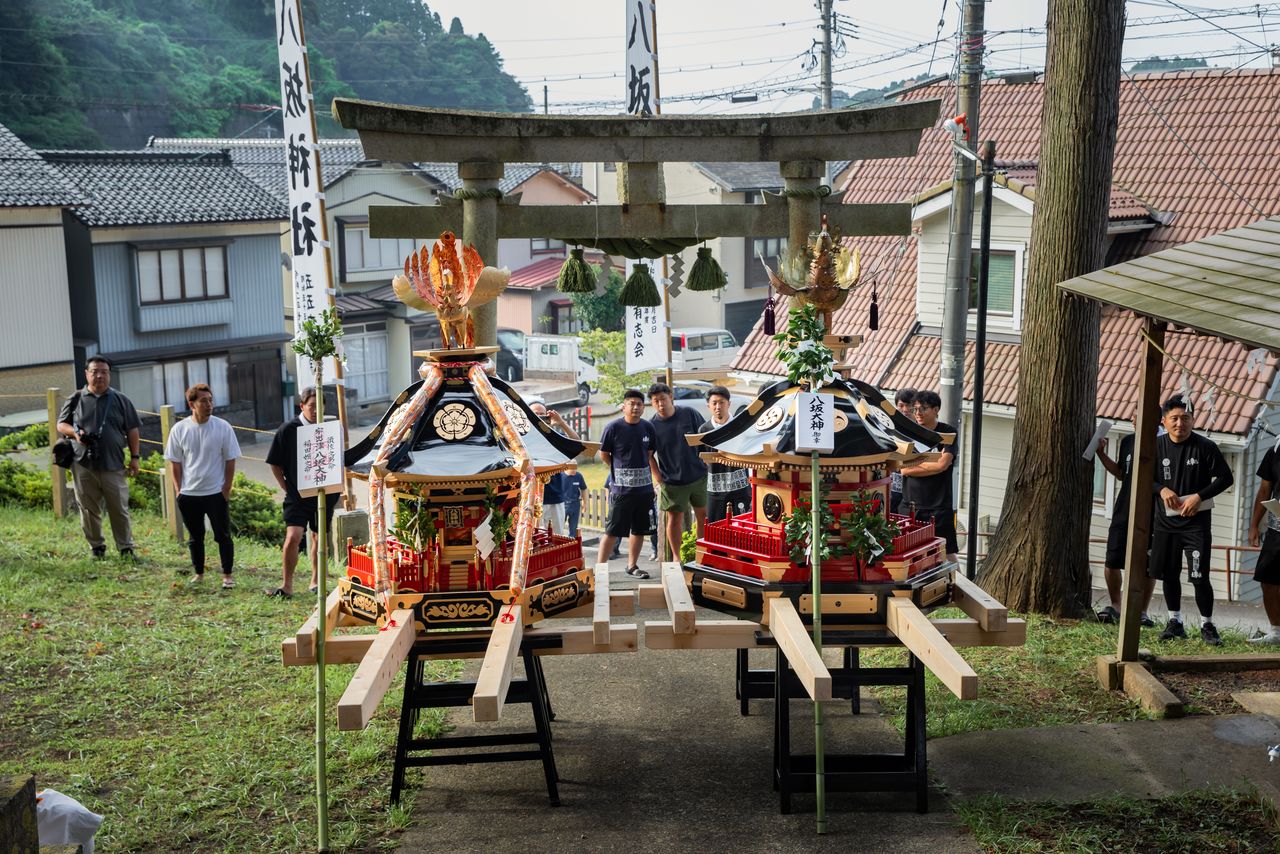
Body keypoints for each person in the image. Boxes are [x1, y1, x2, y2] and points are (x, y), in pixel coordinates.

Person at [1149, 396, 1233, 645]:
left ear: (1193, 420)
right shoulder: (1155, 447)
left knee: (1199, 576)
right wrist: (1161, 489)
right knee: (1169, 574)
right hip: (1165, 524)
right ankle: (1175, 622)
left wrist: (1199, 496)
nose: (1180, 424)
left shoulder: (1205, 447)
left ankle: (1207, 625)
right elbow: (1141, 479)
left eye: (1185, 418)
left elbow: (1225, 478)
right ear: (1164, 421)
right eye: (1174, 418)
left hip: (1196, 525)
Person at [57, 355, 142, 560]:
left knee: (119, 509)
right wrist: (76, 434)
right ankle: (97, 547)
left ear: (109, 375)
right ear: (86, 374)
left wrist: (135, 457)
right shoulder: (76, 398)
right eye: (94, 371)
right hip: (82, 463)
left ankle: (126, 548)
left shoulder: (121, 399)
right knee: (88, 509)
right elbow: (61, 424)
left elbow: (132, 429)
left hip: (113, 464)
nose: (99, 375)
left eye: (104, 371)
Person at [164, 384, 241, 589]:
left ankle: (227, 575)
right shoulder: (180, 429)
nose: (209, 405)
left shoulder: (222, 427)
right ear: (192, 404)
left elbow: (230, 459)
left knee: (222, 535)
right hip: (189, 493)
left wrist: (226, 489)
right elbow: (175, 462)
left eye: (210, 400)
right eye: (203, 401)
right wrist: (179, 490)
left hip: (215, 492)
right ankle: (198, 573)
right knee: (195, 537)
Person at [265, 387, 339, 598]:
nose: (316, 410)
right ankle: (287, 585)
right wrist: (285, 486)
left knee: (319, 537)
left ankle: (316, 581)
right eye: (311, 406)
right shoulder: (288, 429)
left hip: (324, 493)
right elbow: (274, 463)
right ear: (302, 406)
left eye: (320, 406)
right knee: (293, 536)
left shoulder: (328, 428)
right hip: (297, 495)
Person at [1093, 432, 1156, 627]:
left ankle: (1141, 612)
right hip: (1123, 509)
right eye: (1135, 417)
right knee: (1112, 559)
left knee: (1147, 565)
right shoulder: (1128, 441)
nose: (1137, 420)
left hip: (1153, 510)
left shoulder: (1163, 442)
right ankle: (1116, 605)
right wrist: (1101, 454)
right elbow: (1122, 473)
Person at [597, 389, 661, 579]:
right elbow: (604, 455)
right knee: (612, 530)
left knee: (640, 529)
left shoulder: (648, 428)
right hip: (621, 491)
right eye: (631, 403)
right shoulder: (613, 427)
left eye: (639, 404)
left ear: (643, 407)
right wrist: (618, 471)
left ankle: (632, 566)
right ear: (623, 406)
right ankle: (600, 568)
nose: (635, 407)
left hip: (644, 490)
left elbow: (649, 454)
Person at [648, 382, 709, 560]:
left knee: (703, 516)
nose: (660, 404)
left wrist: (705, 461)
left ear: (671, 398)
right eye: (655, 401)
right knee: (674, 519)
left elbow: (703, 437)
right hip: (672, 481)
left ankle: (701, 553)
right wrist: (658, 477)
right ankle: (676, 556)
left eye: (663, 399)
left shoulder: (689, 413)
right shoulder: (652, 425)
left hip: (698, 475)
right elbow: (649, 455)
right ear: (651, 403)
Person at [899, 390, 959, 563]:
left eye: (923, 409)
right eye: (915, 409)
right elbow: (903, 469)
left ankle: (957, 586)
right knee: (910, 553)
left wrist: (917, 463)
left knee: (946, 552)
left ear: (935, 409)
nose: (918, 414)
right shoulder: (909, 432)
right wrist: (934, 464)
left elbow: (943, 464)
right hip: (910, 505)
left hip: (939, 506)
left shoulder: (947, 433)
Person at [1247, 437, 1280, 644]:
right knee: (1267, 579)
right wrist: (1254, 525)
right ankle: (1276, 632)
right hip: (1277, 527)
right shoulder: (1275, 450)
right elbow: (1265, 490)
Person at [529, 399, 579, 535]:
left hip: (555, 496)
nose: (539, 417)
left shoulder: (554, 437)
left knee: (556, 537)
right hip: (532, 497)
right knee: (535, 539)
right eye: (535, 414)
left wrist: (561, 423)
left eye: (542, 414)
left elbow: (576, 443)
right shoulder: (522, 437)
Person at [701, 385, 750, 524]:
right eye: (714, 403)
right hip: (715, 491)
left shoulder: (740, 427)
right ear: (708, 405)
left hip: (740, 489)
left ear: (729, 404)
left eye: (722, 402)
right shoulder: (704, 430)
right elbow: (701, 459)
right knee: (716, 530)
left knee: (743, 529)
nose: (718, 406)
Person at [890, 388, 916, 513]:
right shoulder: (889, 427)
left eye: (909, 406)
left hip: (914, 484)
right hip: (893, 482)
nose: (905, 410)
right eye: (901, 405)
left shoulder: (922, 430)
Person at [562, 461, 588, 539]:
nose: (574, 470)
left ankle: (572, 542)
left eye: (575, 468)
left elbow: (584, 489)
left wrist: (585, 503)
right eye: (572, 468)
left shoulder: (578, 476)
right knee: (559, 526)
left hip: (575, 504)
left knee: (574, 527)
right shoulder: (560, 476)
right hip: (563, 504)